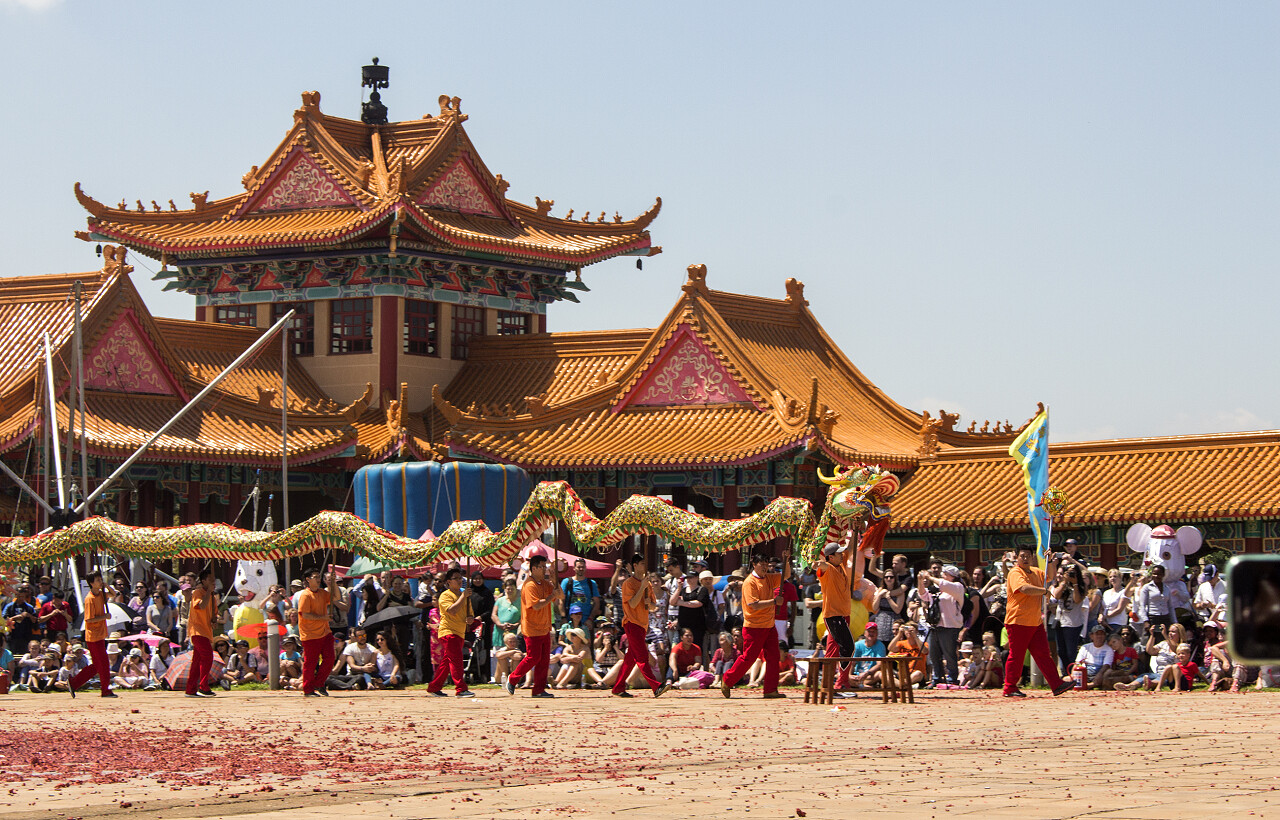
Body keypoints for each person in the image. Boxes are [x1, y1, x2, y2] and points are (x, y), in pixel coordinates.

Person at [1002, 546, 1073, 698]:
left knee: (1043, 654)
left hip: (1034, 621)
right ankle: (1009, 687)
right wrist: (1044, 591)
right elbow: (1024, 588)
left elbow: (1050, 576)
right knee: (1017, 656)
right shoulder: (1015, 572)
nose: (1025, 558)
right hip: (1018, 620)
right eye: (1022, 555)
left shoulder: (1035, 571)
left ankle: (1056, 684)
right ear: (1016, 557)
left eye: (1028, 555)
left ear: (1033, 557)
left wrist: (1052, 561)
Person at [720, 552, 791, 699]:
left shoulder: (770, 578)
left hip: (769, 625)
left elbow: (786, 575)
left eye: (767, 565)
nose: (765, 567)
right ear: (754, 564)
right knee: (748, 658)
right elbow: (753, 605)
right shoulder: (749, 582)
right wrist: (773, 602)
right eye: (762, 564)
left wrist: (787, 559)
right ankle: (727, 680)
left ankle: (770, 689)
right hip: (754, 627)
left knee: (773, 656)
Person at [611, 552, 669, 698]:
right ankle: (656, 687)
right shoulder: (628, 584)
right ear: (635, 565)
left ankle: (618, 687)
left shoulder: (647, 584)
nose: (644, 566)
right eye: (642, 563)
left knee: (630, 659)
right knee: (642, 658)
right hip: (632, 623)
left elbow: (653, 607)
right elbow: (632, 603)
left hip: (643, 624)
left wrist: (651, 603)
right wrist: (642, 587)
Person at [505, 554, 562, 698]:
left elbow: (560, 595)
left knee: (544, 660)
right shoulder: (529, 585)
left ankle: (538, 689)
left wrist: (555, 579)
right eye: (542, 567)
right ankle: (513, 679)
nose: (544, 570)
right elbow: (536, 605)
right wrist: (550, 597)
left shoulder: (545, 583)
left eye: (545, 567)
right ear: (534, 568)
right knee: (533, 657)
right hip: (532, 628)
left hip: (544, 626)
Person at [814, 543, 858, 691]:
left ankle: (831, 684)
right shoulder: (829, 568)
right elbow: (821, 566)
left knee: (833, 651)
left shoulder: (840, 565)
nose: (842, 555)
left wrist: (854, 530)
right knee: (848, 647)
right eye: (839, 554)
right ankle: (840, 683)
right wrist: (817, 563)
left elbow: (851, 550)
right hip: (834, 615)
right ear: (830, 557)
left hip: (843, 615)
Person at [67, 572, 116, 699]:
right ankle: (105, 690)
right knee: (103, 664)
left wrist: (106, 585)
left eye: (101, 579)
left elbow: (113, 594)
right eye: (98, 580)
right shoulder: (89, 599)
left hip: (99, 634)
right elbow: (88, 619)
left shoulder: (100, 594)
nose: (100, 581)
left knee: (97, 666)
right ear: (91, 583)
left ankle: (74, 682)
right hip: (93, 636)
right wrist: (104, 617)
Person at [428, 568, 476, 698]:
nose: (460, 581)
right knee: (456, 660)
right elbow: (452, 610)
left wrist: (470, 619)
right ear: (448, 581)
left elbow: (470, 614)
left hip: (459, 632)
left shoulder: (464, 595)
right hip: (449, 631)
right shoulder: (446, 595)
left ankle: (434, 686)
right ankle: (460, 688)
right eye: (456, 578)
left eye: (460, 578)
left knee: (447, 662)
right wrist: (463, 596)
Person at [917, 564, 965, 688]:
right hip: (935, 625)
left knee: (949, 654)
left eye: (946, 574)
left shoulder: (958, 588)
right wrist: (920, 581)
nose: (943, 576)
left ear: (952, 576)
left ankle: (952, 678)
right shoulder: (938, 591)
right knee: (934, 653)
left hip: (950, 626)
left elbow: (945, 585)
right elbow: (923, 595)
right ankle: (937, 677)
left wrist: (931, 577)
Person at [297, 568, 340, 697]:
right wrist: (324, 618)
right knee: (310, 662)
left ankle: (319, 683)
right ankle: (308, 689)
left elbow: (336, 597)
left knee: (330, 658)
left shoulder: (322, 593)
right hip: (310, 634)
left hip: (325, 631)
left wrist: (333, 583)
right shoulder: (305, 595)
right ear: (308, 580)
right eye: (315, 577)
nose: (318, 579)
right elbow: (305, 614)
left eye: (318, 576)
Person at [184, 569, 217, 698]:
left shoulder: (212, 596)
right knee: (207, 657)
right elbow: (201, 606)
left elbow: (213, 616)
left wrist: (214, 619)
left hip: (205, 630)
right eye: (210, 580)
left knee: (197, 661)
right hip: (197, 630)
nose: (212, 582)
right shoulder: (198, 592)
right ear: (203, 581)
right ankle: (204, 686)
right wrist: (209, 590)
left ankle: (191, 689)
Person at [1072, 624, 1114, 690]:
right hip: (1085, 674)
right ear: (1091, 636)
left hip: (1099, 673)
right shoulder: (1085, 647)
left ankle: (1087, 686)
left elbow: (1106, 665)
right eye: (1097, 634)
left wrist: (1099, 674)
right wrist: (1073, 675)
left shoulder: (1108, 649)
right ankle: (1082, 685)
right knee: (1066, 679)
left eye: (1102, 634)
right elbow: (1077, 663)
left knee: (1107, 673)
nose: (1099, 636)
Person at [850, 623, 887, 689]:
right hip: (857, 676)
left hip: (870, 675)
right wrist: (849, 675)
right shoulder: (857, 645)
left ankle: (903, 685)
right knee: (840, 675)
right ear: (865, 633)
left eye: (873, 632)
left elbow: (879, 664)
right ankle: (861, 685)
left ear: (877, 634)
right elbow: (852, 662)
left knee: (881, 674)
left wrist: (867, 673)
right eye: (869, 631)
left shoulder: (880, 646)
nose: (871, 633)